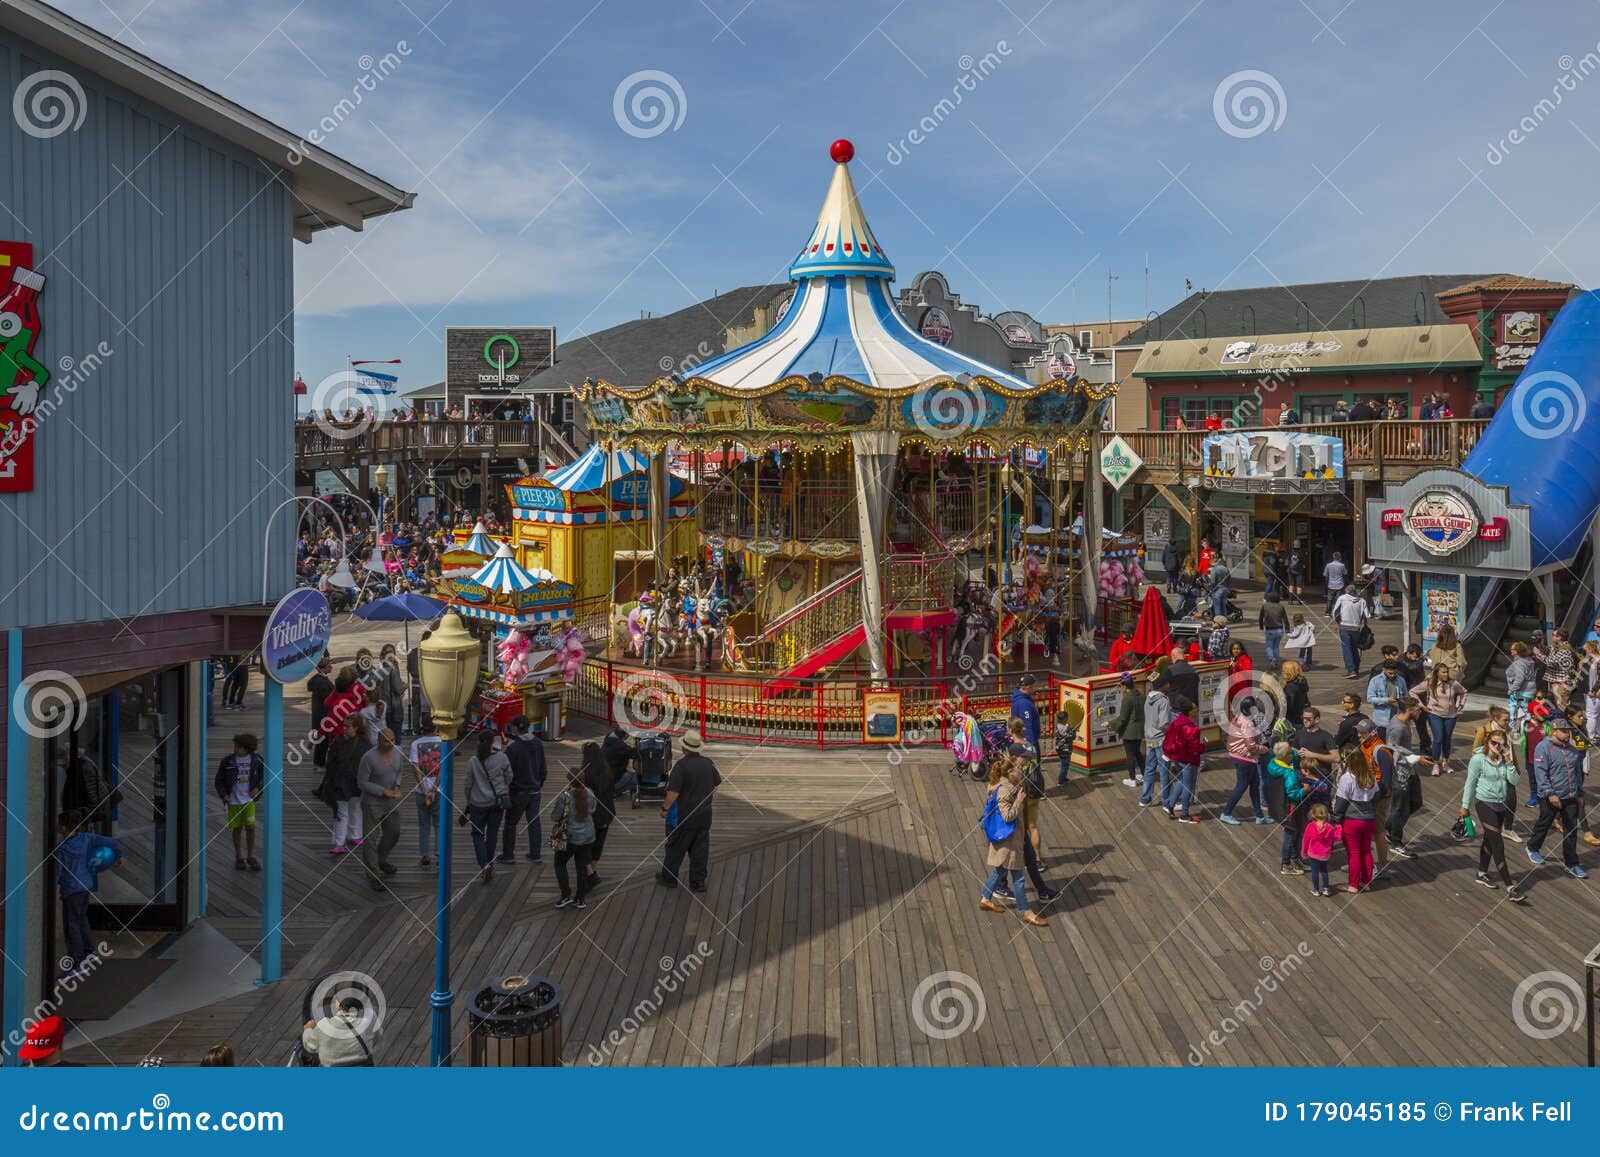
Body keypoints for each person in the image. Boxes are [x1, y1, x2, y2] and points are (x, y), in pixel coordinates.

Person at [977, 755, 1048, 927]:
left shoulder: (1005, 785)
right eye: (1017, 769)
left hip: (1008, 838)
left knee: (1000, 870)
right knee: (1018, 877)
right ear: (1010, 772)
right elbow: (1008, 816)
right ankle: (1026, 911)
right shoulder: (1004, 790)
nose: (1020, 771)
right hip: (1009, 840)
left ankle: (985, 898)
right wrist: (1018, 801)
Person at [53, 808, 120, 975]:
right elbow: (112, 843)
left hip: (71, 891)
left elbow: (57, 873)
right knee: (82, 920)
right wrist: (118, 856)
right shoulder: (87, 839)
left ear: (62, 827)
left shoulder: (61, 850)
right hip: (85, 887)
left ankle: (76, 964)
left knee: (71, 926)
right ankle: (90, 954)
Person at [1461, 729, 1526, 900]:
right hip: (1484, 804)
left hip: (1501, 805)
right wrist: (1464, 805)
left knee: (1489, 840)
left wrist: (1510, 762)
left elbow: (1515, 781)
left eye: (1501, 744)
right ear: (1487, 742)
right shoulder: (1478, 760)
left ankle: (1481, 873)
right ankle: (1510, 886)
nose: (1498, 746)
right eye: (1494, 743)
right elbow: (1470, 783)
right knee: (1498, 844)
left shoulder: (1505, 760)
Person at [657, 732, 721, 892]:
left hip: (683, 817)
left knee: (675, 848)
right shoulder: (708, 763)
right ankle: (698, 883)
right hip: (705, 816)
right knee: (700, 850)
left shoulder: (681, 766)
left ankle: (669, 878)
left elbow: (673, 793)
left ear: (684, 748)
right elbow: (716, 782)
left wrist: (665, 809)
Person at [1526, 717, 1588, 878]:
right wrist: (1550, 793)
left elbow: (1577, 774)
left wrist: (1580, 793)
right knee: (1544, 823)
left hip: (1571, 795)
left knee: (1571, 829)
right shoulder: (1543, 748)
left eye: (1569, 731)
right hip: (1551, 796)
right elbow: (1540, 773)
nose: (1568, 734)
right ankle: (1533, 846)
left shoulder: (1572, 749)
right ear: (1553, 731)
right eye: (1564, 731)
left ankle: (1572, 863)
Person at [356, 728, 411, 892]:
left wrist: (397, 785)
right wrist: (382, 791)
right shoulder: (368, 758)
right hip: (372, 803)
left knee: (394, 832)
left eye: (393, 740)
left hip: (391, 801)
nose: (391, 743)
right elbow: (361, 782)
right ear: (379, 741)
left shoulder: (397, 753)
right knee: (370, 839)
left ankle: (381, 859)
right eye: (387, 741)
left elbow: (400, 770)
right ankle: (373, 875)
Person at [500, 715, 548, 863]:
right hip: (534, 790)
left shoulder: (513, 748)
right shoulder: (538, 744)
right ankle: (535, 853)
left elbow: (506, 770)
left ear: (516, 728)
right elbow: (543, 769)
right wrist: (538, 783)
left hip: (518, 791)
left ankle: (508, 855)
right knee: (534, 822)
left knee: (511, 823)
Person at [1332, 747, 1380, 893]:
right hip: (1369, 819)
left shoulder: (1347, 778)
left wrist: (1336, 819)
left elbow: (1340, 802)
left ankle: (1353, 884)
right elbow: (1376, 796)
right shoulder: (1370, 776)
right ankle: (1366, 882)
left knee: (1353, 853)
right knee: (1366, 851)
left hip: (1352, 820)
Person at [464, 730, 509, 885]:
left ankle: (484, 865)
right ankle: (490, 863)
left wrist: (468, 799)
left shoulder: (473, 761)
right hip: (497, 802)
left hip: (478, 803)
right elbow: (509, 776)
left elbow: (468, 784)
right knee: (493, 833)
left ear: (478, 742)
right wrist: (502, 788)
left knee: (477, 834)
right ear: (492, 742)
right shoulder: (502, 757)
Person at [550, 769, 600, 910]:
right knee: (582, 866)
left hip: (569, 837)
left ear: (570, 781)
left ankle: (565, 895)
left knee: (559, 863)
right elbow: (593, 809)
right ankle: (580, 898)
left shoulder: (564, 796)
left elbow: (555, 816)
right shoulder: (589, 793)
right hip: (588, 836)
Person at [215, 733, 264, 871]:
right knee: (237, 829)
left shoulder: (257, 760)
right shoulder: (227, 761)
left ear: (248, 749)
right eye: (236, 746)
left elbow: (264, 776)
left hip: (249, 800)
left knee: (250, 827)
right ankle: (239, 857)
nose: (236, 749)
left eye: (239, 747)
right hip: (234, 800)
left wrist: (258, 788)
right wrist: (224, 794)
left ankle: (250, 856)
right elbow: (219, 781)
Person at [323, 714, 370, 854]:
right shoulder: (364, 744)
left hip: (351, 781)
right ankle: (342, 841)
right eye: (343, 725)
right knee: (343, 811)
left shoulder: (342, 742)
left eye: (347, 726)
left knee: (353, 809)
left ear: (356, 727)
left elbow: (330, 762)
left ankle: (350, 837)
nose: (344, 728)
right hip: (344, 782)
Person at [1384, 695, 1424, 859]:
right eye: (1417, 709)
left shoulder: (1403, 721)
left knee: (1416, 802)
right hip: (1399, 773)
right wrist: (1416, 757)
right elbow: (1391, 748)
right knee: (1400, 808)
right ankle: (1396, 841)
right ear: (1409, 710)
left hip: (1410, 770)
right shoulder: (1398, 727)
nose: (1420, 711)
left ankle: (1388, 827)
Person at [1221, 699, 1269, 825]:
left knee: (1254, 786)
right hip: (1245, 758)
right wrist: (1264, 749)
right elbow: (1251, 746)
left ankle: (1259, 816)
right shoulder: (1248, 723)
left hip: (1239, 756)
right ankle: (1226, 813)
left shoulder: (1238, 717)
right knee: (1241, 786)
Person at [1160, 695, 1205, 823]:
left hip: (1177, 757)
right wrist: (1204, 745)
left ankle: (1170, 803)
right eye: (1195, 708)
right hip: (1188, 760)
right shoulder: (1193, 729)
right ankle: (1184, 814)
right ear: (1190, 711)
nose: (1197, 710)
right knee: (1188, 786)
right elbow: (1195, 750)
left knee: (1182, 781)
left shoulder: (1176, 721)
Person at [1265, 742, 1308, 873]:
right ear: (1286, 757)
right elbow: (1293, 794)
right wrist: (1305, 790)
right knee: (1291, 833)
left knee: (1294, 832)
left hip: (1278, 803)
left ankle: (1295, 859)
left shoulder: (1273, 763)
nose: (1292, 752)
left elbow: (1290, 755)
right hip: (1290, 806)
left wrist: (1296, 752)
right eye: (1290, 751)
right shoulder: (1289, 774)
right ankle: (1286, 864)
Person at [581, 741, 617, 885]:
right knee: (598, 843)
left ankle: (589, 873)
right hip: (607, 814)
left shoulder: (585, 773)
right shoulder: (607, 771)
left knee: (585, 845)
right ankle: (593, 870)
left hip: (591, 814)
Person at [1422, 664, 1469, 775]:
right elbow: (1413, 691)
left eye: (1447, 672)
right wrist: (1422, 706)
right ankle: (1435, 764)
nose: (1446, 674)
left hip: (1450, 716)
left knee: (1447, 740)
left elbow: (1464, 691)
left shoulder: (1453, 683)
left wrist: (1461, 705)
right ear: (1436, 673)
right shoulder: (1430, 683)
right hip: (1434, 714)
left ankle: (1445, 763)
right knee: (1438, 739)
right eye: (1443, 672)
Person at [1140, 674, 1173, 807]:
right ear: (1163, 685)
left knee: (1149, 769)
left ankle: (1145, 798)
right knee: (1165, 771)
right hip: (1161, 739)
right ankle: (1167, 800)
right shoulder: (1164, 701)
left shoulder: (1148, 698)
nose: (1169, 685)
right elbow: (1164, 723)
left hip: (1149, 738)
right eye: (1167, 683)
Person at [1112, 671, 1144, 788]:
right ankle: (1145, 774)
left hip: (1129, 732)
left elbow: (1123, 718)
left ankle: (1132, 778)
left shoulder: (1127, 698)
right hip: (1140, 731)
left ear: (1125, 686)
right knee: (1138, 753)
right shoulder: (1141, 695)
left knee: (1130, 755)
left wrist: (1113, 726)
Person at [1330, 583, 1369, 677]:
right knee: (1355, 648)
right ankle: (1356, 669)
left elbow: (1335, 612)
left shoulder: (1342, 598)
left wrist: (1338, 622)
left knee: (1347, 648)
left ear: (1347, 590)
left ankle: (1351, 670)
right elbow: (1367, 615)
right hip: (1356, 627)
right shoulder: (1362, 600)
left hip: (1344, 626)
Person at [412, 739, 440, 867]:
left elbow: (415, 767)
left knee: (424, 824)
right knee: (439, 824)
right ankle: (439, 854)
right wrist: (434, 789)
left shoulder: (415, 744)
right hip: (439, 791)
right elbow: (444, 767)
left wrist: (424, 790)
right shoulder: (444, 742)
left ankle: (424, 854)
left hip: (420, 792)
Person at [1300, 803, 1337, 897]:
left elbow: (1305, 840)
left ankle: (1316, 889)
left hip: (1313, 853)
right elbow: (1336, 837)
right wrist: (1339, 828)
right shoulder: (1330, 827)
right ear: (1326, 814)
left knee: (1315, 871)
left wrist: (1303, 852)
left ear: (1313, 814)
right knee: (1324, 871)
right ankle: (1325, 888)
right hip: (1325, 854)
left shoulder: (1310, 826)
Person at [1538, 627, 1578, 710]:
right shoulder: (1556, 647)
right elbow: (1548, 649)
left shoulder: (1564, 650)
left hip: (1562, 684)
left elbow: (1550, 662)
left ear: (1559, 637)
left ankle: (1564, 722)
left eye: (1553, 635)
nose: (1552, 636)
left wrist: (1538, 654)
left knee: (1561, 708)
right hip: (1555, 682)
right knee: (1554, 706)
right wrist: (1540, 644)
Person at [1365, 658, 1407, 729]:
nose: (1392, 675)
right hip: (1382, 721)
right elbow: (1370, 698)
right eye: (1390, 673)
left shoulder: (1401, 680)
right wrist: (1386, 700)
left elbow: (1406, 696)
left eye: (1395, 673)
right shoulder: (1375, 681)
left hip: (1398, 718)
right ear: (1384, 669)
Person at [308, 657, 334, 768]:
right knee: (322, 740)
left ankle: (317, 762)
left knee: (320, 739)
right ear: (323, 669)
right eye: (329, 666)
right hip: (322, 714)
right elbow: (327, 697)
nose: (331, 667)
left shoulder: (317, 679)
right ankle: (319, 763)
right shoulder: (321, 682)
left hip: (318, 713)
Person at [1009, 674, 1040, 750]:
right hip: (1026, 743)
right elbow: (1027, 724)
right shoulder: (1024, 704)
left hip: (1021, 740)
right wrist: (1031, 746)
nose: (1036, 688)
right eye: (1035, 686)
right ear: (1029, 687)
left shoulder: (1020, 699)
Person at [1259, 591, 1289, 667]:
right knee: (1276, 646)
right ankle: (1275, 659)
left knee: (1269, 646)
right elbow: (1285, 618)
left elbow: (1261, 617)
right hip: (1279, 630)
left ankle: (1272, 659)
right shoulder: (1281, 606)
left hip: (1270, 629)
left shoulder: (1265, 606)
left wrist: (1261, 626)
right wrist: (1287, 628)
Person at [1323, 551, 1348, 616]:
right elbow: (1345, 573)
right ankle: (1337, 613)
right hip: (1340, 584)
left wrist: (1326, 583)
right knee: (1338, 599)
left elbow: (1325, 575)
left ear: (1333, 557)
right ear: (1340, 558)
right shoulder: (1342, 565)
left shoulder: (1328, 565)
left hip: (1331, 584)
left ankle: (1327, 613)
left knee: (1329, 599)